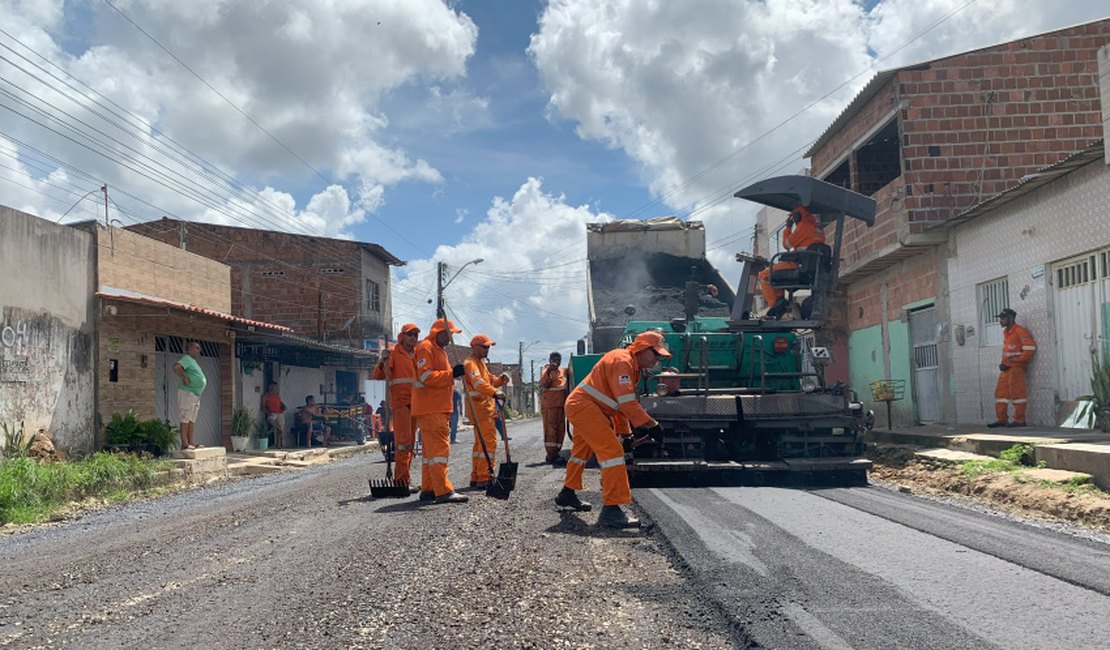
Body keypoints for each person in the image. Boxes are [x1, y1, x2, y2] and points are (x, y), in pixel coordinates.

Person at [555, 331, 668, 529]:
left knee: (580, 453)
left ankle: (567, 494)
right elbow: (627, 404)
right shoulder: (622, 361)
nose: (658, 359)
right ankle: (611, 510)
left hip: (586, 407)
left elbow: (618, 406)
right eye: (656, 354)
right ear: (642, 349)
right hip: (584, 407)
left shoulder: (632, 366)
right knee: (612, 453)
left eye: (660, 356)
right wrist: (651, 425)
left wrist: (626, 433)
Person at [412, 318, 469, 504]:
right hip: (431, 408)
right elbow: (426, 376)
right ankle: (443, 491)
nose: (451, 338)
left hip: (435, 408)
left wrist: (452, 374)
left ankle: (428, 489)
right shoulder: (426, 348)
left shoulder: (438, 350)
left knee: (430, 454)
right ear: (440, 332)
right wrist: (452, 374)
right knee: (439, 451)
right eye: (450, 334)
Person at [371, 323, 421, 486]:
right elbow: (378, 375)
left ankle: (405, 479)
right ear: (402, 336)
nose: (413, 338)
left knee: (411, 443)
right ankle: (401, 481)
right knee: (403, 444)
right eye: (410, 334)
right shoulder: (393, 353)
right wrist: (382, 361)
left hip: (417, 403)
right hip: (401, 403)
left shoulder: (418, 354)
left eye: (415, 335)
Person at [758, 203, 825, 319]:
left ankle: (775, 305)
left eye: (794, 217)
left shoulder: (803, 226)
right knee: (777, 277)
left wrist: (788, 228)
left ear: (798, 216)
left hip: (798, 266)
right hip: (811, 270)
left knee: (764, 275)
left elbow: (786, 244)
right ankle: (780, 302)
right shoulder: (818, 228)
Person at [462, 334, 511, 488]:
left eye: (488, 347)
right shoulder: (470, 363)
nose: (487, 349)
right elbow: (479, 384)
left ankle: (476, 476)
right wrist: (495, 392)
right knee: (489, 443)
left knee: (480, 445)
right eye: (484, 347)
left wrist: (501, 380)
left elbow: (490, 381)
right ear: (474, 347)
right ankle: (484, 477)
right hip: (480, 409)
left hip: (483, 408)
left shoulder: (480, 363)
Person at [988, 308, 1037, 428]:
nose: (1000, 320)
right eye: (1000, 318)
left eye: (1003, 318)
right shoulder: (1006, 332)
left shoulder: (1020, 331)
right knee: (1000, 394)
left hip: (1016, 368)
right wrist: (1003, 363)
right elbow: (1008, 351)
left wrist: (1014, 361)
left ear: (1011, 318)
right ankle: (1001, 419)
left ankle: (1019, 420)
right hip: (1006, 368)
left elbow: (1030, 349)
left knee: (1017, 394)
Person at [173, 340, 207, 450]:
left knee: (192, 419)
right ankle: (185, 444)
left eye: (199, 348)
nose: (199, 350)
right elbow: (177, 367)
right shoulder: (187, 358)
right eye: (197, 348)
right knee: (185, 418)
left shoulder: (193, 361)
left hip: (195, 395)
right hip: (187, 393)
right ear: (190, 349)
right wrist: (185, 377)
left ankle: (191, 442)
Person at [539, 351, 570, 464]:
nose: (556, 362)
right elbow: (543, 383)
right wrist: (548, 371)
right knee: (551, 431)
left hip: (561, 405)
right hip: (550, 405)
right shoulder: (546, 369)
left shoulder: (563, 371)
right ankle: (551, 455)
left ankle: (557, 452)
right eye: (554, 360)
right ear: (550, 360)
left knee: (560, 430)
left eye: (558, 360)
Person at [261, 381, 286, 449]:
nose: (273, 387)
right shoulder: (265, 396)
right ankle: (278, 432)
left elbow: (281, 403)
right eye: (271, 386)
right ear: (268, 386)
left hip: (280, 413)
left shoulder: (277, 395)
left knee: (280, 430)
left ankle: (278, 445)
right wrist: (268, 412)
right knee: (272, 421)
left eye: (274, 386)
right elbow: (263, 407)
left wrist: (284, 406)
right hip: (272, 413)